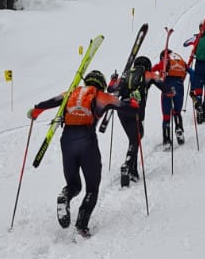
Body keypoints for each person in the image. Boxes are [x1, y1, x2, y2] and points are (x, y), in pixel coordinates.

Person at [27, 68, 133, 236]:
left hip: (67, 140)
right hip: (87, 140)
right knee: (92, 188)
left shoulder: (71, 92)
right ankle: (81, 226)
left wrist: (36, 110)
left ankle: (65, 197)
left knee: (74, 184)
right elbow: (124, 106)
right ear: (101, 84)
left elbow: (51, 102)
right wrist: (134, 102)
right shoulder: (99, 95)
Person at [107, 52, 163, 186]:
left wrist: (113, 79)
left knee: (135, 137)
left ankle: (133, 170)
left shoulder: (126, 75)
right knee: (136, 137)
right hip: (136, 110)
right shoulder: (147, 74)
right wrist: (169, 88)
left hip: (122, 110)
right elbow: (162, 85)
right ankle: (128, 165)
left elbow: (111, 89)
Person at [153, 42, 190, 147]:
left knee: (166, 114)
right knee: (176, 111)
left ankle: (167, 140)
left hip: (167, 86)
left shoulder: (165, 61)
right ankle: (179, 129)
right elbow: (190, 71)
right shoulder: (180, 61)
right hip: (179, 86)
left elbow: (152, 69)